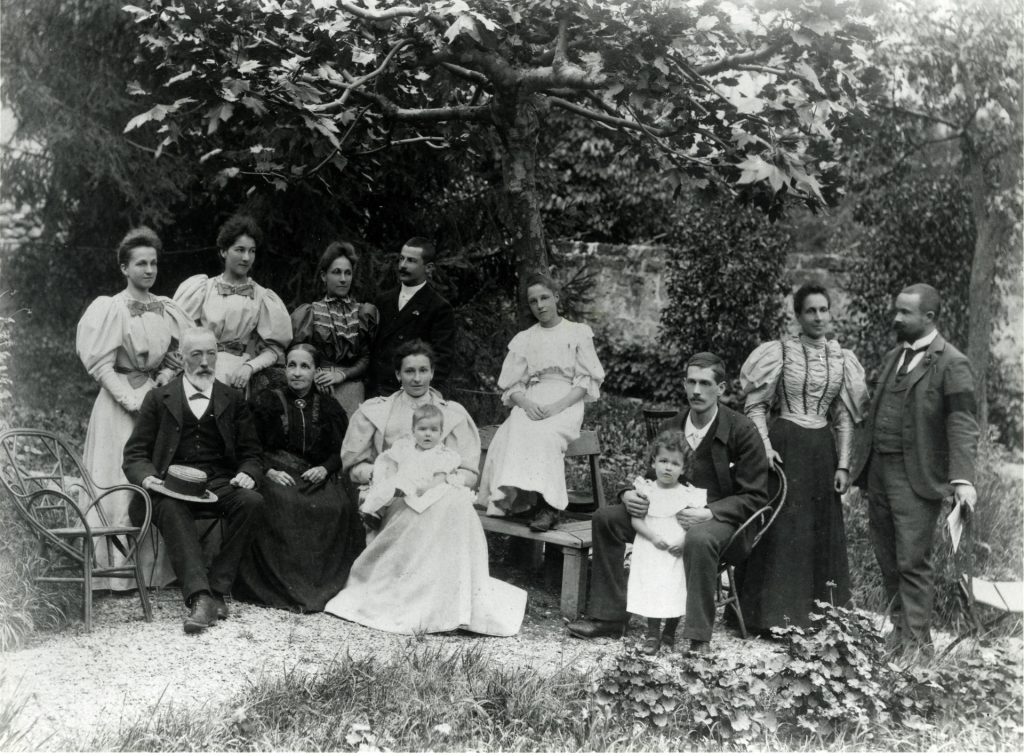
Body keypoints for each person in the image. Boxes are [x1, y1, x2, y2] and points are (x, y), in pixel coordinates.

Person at [567, 352, 770, 655]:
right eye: (691, 382)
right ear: (684, 384)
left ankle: (698, 638)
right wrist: (627, 494)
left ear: (721, 388)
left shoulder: (741, 429)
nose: (696, 391)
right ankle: (609, 617)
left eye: (705, 383)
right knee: (606, 518)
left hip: (720, 523)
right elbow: (650, 475)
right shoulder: (673, 426)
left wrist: (710, 512)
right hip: (664, 514)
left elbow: (755, 496)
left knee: (699, 538)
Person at [324, 339, 525, 636]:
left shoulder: (452, 414)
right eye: (409, 371)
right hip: (392, 494)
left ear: (432, 373)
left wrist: (440, 481)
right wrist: (386, 476)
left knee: (453, 504)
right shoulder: (376, 411)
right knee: (424, 506)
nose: (416, 378)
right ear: (398, 374)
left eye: (423, 370)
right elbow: (354, 467)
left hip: (441, 490)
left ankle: (449, 606)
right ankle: (412, 603)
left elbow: (469, 472)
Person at [852, 283, 979, 652]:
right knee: (888, 558)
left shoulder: (952, 362)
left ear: (929, 317)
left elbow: (962, 423)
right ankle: (899, 633)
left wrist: (962, 479)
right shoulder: (894, 356)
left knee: (912, 561)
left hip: (916, 477)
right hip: (879, 472)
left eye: (905, 313)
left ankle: (918, 646)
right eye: (897, 310)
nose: (896, 318)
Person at [736, 284, 869, 633]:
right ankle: (769, 617)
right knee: (782, 528)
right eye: (810, 310)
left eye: (824, 309)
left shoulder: (841, 359)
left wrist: (843, 465)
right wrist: (765, 446)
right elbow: (756, 405)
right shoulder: (779, 352)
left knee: (818, 530)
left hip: (822, 451)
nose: (818, 317)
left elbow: (843, 418)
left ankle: (816, 618)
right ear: (798, 315)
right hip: (786, 446)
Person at [123, 326, 266, 634]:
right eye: (196, 354)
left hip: (218, 482)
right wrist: (149, 479)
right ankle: (200, 598)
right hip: (170, 485)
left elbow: (252, 453)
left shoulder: (232, 398)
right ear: (181, 357)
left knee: (252, 502)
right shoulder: (158, 398)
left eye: (211, 354)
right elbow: (135, 454)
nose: (204, 362)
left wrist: (248, 473)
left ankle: (217, 588)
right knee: (172, 508)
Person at [75, 226, 192, 590]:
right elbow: (101, 365)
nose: (149, 270)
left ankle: (149, 572)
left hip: (153, 400)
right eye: (140, 263)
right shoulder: (110, 308)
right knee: (115, 476)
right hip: (117, 405)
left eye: (153, 263)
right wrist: (129, 399)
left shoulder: (167, 308)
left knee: (150, 474)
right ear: (124, 268)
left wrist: (161, 381)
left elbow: (176, 355)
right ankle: (111, 575)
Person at [232, 343, 364, 612]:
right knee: (282, 502)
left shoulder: (329, 406)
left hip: (313, 473)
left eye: (305, 366)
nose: (297, 372)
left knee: (337, 506)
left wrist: (325, 468)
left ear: (316, 371)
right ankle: (281, 587)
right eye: (291, 365)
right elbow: (249, 444)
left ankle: (320, 587)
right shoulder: (266, 400)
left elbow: (341, 449)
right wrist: (267, 470)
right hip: (274, 472)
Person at [476, 272, 606, 532]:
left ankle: (549, 506)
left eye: (545, 298)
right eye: (533, 301)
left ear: (556, 297)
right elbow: (512, 385)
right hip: (533, 397)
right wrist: (525, 404)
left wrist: (557, 407)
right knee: (513, 429)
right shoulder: (525, 338)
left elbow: (585, 381)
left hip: (567, 399)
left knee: (546, 433)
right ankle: (523, 501)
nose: (540, 306)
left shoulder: (577, 333)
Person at [174, 214, 292, 393]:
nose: (246, 258)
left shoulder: (262, 297)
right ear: (223, 251)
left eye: (252, 251)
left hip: (237, 373)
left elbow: (274, 350)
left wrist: (250, 367)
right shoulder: (203, 288)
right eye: (240, 250)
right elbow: (180, 335)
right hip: (199, 368)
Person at [627, 429, 708, 655]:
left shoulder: (687, 493)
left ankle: (669, 634)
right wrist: (653, 537)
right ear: (653, 461)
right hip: (650, 548)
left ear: (683, 468)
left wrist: (683, 541)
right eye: (663, 461)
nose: (668, 468)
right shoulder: (647, 489)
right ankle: (653, 633)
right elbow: (636, 520)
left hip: (675, 551)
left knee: (675, 589)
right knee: (652, 588)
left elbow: (694, 524)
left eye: (675, 463)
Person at [290, 241, 380, 417]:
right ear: (324, 276)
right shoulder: (310, 313)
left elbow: (366, 358)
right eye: (336, 272)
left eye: (348, 273)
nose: (343, 279)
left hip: (351, 388)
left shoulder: (363, 313)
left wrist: (342, 375)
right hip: (317, 385)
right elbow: (297, 354)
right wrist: (315, 375)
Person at [360, 403, 475, 526]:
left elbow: (440, 477)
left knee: (441, 497)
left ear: (441, 433)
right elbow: (393, 462)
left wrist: (427, 488)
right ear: (413, 431)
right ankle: (374, 512)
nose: (428, 434)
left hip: (425, 487)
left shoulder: (442, 454)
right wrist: (392, 478)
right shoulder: (405, 447)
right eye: (422, 429)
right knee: (386, 487)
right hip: (402, 483)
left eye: (434, 430)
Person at [368, 237, 455, 396]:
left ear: (428, 268)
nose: (403, 265)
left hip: (412, 393)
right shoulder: (383, 301)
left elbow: (442, 359)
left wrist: (423, 393)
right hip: (377, 391)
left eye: (411, 261)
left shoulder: (438, 307)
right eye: (401, 259)